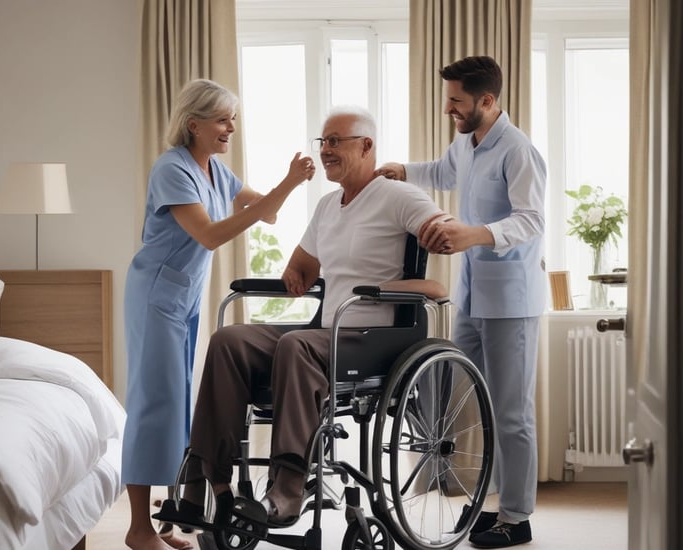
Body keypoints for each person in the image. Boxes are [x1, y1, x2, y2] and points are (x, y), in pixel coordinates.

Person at [155, 105, 449, 531]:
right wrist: (295, 273)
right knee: (229, 339)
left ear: (366, 146)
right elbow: (302, 266)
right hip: (326, 331)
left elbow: (440, 256)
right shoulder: (329, 205)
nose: (326, 150)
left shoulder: (399, 196)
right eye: (323, 141)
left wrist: (405, 281)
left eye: (336, 141)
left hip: (374, 337)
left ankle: (288, 486)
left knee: (297, 344)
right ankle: (208, 480)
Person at [122, 78, 316, 550]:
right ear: (194, 124)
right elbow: (208, 235)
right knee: (154, 406)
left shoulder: (215, 171)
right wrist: (286, 183)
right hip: (155, 295)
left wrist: (287, 186)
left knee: (179, 405)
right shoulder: (172, 169)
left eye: (234, 120)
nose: (231, 128)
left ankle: (167, 522)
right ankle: (137, 529)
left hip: (185, 297)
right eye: (223, 120)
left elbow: (265, 213)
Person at [375, 55, 546, 548]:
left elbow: (531, 220)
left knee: (513, 413)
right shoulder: (467, 143)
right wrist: (404, 169)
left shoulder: (518, 151)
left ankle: (518, 517)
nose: (449, 108)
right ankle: (492, 505)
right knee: (475, 403)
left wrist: (473, 234)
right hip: (472, 296)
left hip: (511, 299)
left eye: (457, 101)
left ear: (487, 101)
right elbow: (445, 172)